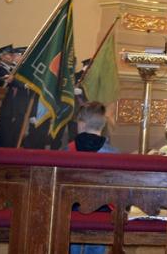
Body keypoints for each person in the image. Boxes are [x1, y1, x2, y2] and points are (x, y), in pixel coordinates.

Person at [67, 101, 117, 254]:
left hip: (72, 209)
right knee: (96, 245)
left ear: (81, 124)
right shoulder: (113, 154)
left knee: (72, 244)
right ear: (102, 126)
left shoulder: (68, 150)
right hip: (103, 210)